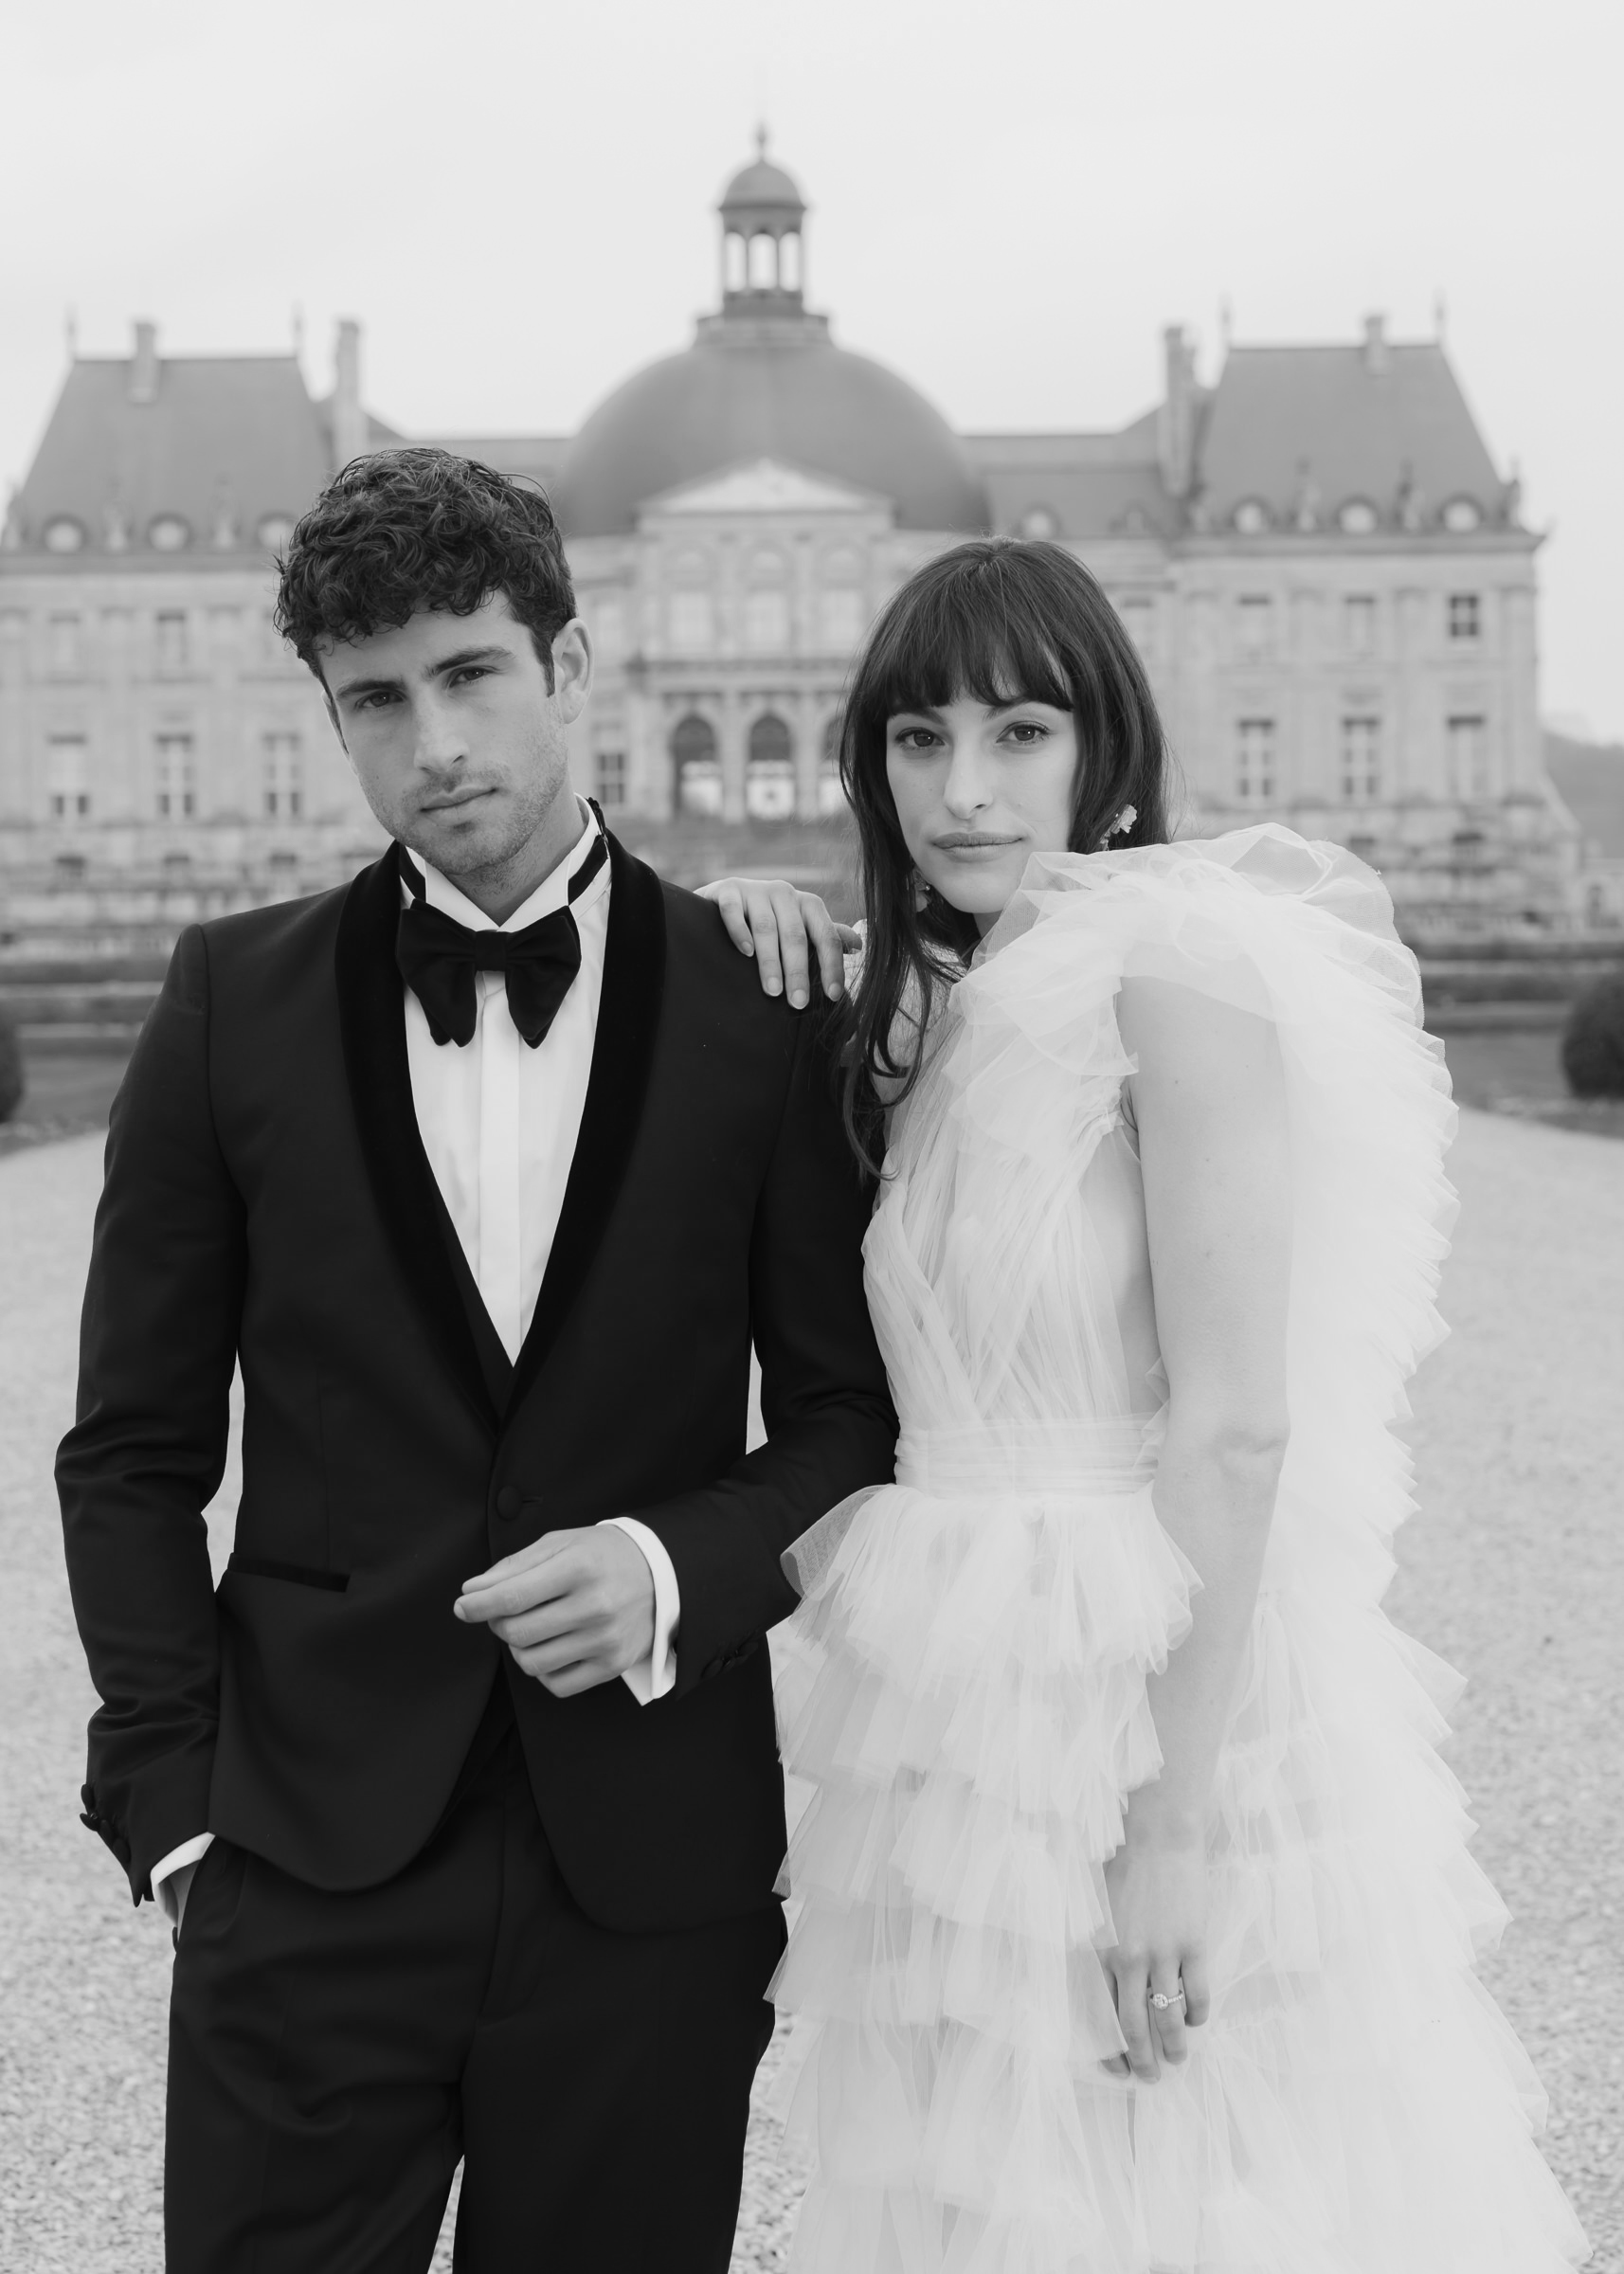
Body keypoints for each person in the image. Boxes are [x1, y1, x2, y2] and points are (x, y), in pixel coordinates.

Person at [701, 539, 1589, 2272]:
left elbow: (1238, 1421)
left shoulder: (1174, 972)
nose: (961, 790)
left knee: (1184, 2183)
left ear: (1102, 747)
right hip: (947, 1708)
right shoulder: (920, 1010)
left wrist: (1169, 1828)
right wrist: (736, 914)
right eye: (914, 738)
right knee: (987, 2194)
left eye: (1018, 732)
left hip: (1150, 1689)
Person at [57, 447, 896, 2273]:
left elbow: (850, 1418)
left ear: (575, 664)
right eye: (375, 700)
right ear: (335, 721)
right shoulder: (228, 1004)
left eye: (470, 674)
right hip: (300, 1862)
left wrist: (677, 1565)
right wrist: (175, 1807)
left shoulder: (762, 1008)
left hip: (645, 1876)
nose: (432, 741)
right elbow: (128, 1448)